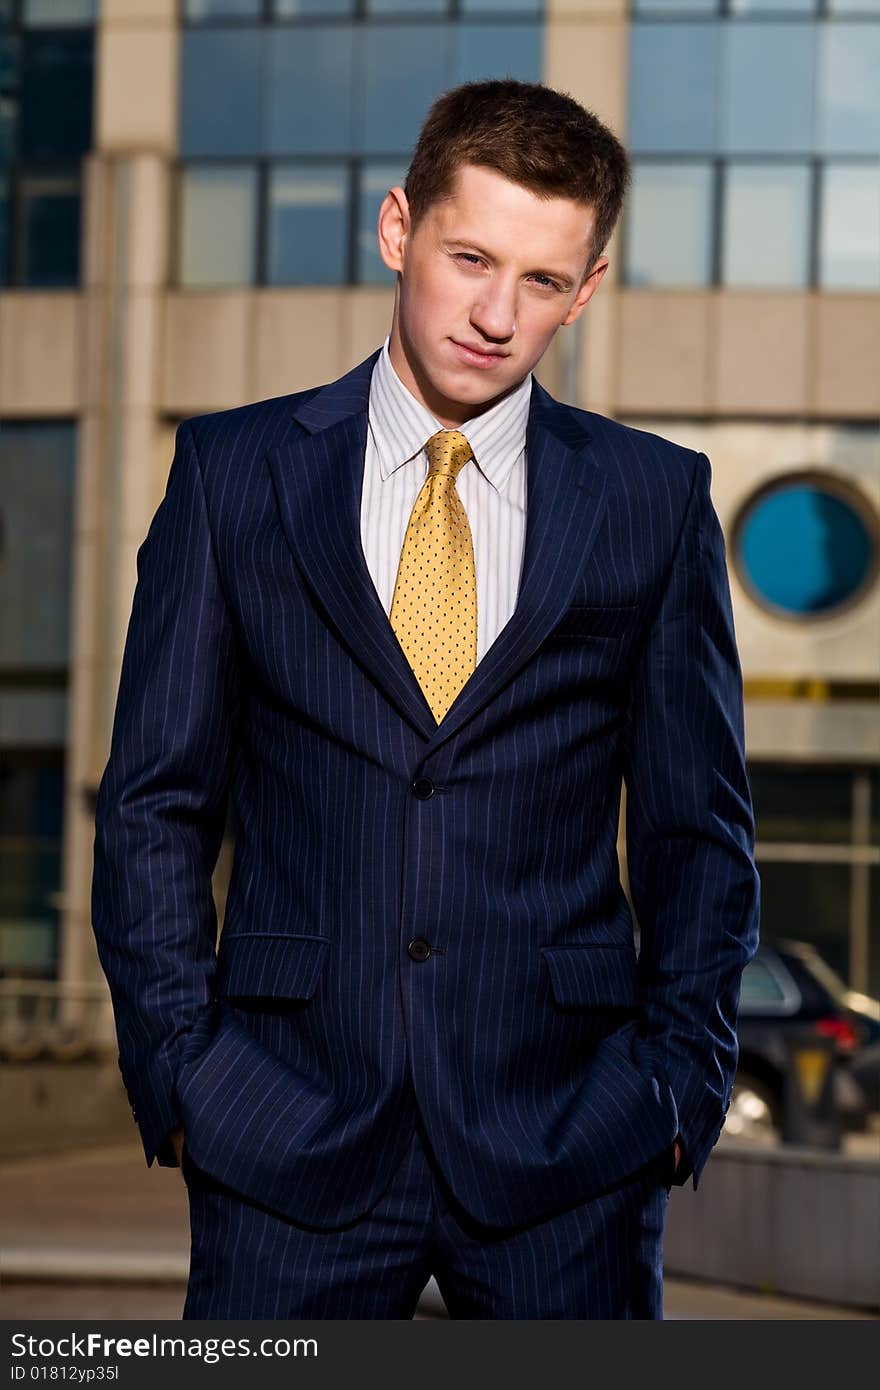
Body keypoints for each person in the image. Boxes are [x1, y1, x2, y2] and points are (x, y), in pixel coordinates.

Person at [91, 78, 760, 1320]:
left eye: (544, 282)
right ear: (399, 230)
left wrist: (677, 1089)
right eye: (469, 258)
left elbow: (699, 833)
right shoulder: (235, 476)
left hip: (571, 1141)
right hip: (280, 1128)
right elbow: (153, 803)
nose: (497, 316)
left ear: (589, 289)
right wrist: (180, 1074)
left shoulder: (652, 501)